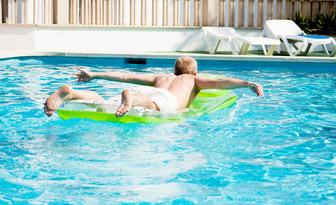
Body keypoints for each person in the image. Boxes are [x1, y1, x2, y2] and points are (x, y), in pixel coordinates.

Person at [44, 56, 264, 117]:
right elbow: (219, 82)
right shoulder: (192, 80)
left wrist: (95, 74)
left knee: (103, 103)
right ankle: (130, 99)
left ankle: (71, 94)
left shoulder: (161, 77)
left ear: (174, 71)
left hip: (147, 91)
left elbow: (126, 76)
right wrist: (248, 83)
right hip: (159, 99)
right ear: (195, 73)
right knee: (153, 105)